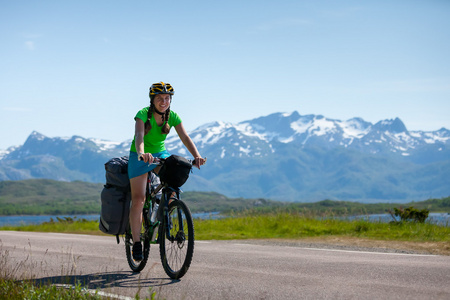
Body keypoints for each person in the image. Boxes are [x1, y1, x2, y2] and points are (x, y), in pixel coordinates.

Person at [128, 81, 206, 261]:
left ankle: (168, 211)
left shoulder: (173, 117)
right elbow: (139, 136)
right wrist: (141, 153)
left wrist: (197, 156)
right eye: (159, 98)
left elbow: (185, 137)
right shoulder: (142, 115)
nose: (164, 102)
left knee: (175, 173)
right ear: (152, 100)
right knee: (139, 199)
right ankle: (137, 242)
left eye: (167, 98)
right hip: (140, 156)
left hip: (160, 153)